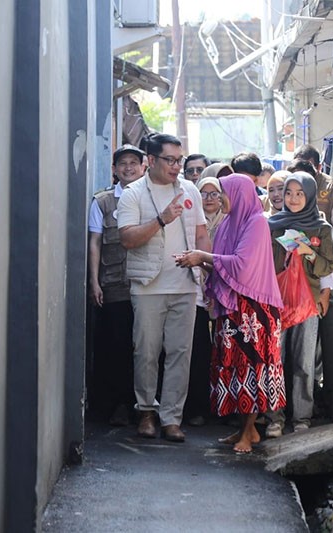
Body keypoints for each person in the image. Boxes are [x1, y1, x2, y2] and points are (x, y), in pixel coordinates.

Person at [175, 173, 286, 453]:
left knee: (251, 367)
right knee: (233, 367)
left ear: (238, 194)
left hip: (255, 311)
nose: (220, 198)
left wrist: (202, 257)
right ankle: (242, 430)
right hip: (232, 308)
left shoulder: (257, 223)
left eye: (223, 193)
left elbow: (242, 265)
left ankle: (249, 432)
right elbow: (224, 267)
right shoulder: (227, 224)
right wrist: (198, 261)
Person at [117, 133, 211, 442]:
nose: (176, 166)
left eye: (179, 160)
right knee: (146, 351)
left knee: (180, 354)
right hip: (148, 285)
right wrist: (162, 218)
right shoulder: (133, 194)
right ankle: (146, 411)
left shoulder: (190, 190)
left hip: (185, 285)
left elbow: (200, 234)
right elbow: (128, 239)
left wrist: (204, 268)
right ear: (151, 161)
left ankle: (172, 418)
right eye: (170, 160)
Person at [265, 172, 333, 437]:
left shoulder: (322, 227)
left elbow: (328, 264)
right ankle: (274, 418)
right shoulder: (272, 225)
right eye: (289, 193)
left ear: (309, 195)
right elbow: (265, 265)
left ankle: (302, 417)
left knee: (304, 362)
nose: (293, 199)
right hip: (276, 301)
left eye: (299, 193)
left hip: (308, 302)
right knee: (276, 361)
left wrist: (307, 251)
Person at [87, 144, 146, 426]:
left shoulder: (152, 199)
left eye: (134, 162)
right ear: (114, 169)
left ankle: (143, 405)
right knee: (116, 346)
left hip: (146, 285)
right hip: (114, 285)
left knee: (145, 348)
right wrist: (93, 281)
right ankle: (118, 404)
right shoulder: (102, 202)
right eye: (123, 163)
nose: (128, 168)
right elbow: (95, 242)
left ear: (143, 166)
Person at [183, 176, 226, 426]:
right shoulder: (190, 219)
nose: (209, 199)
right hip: (194, 292)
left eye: (214, 193)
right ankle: (194, 407)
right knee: (196, 351)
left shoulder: (230, 223)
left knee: (219, 354)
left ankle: (219, 406)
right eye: (204, 193)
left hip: (222, 294)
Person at [293, 144, 333, 285]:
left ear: (319, 167)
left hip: (323, 260)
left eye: (307, 167)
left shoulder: (332, 187)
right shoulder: (290, 185)